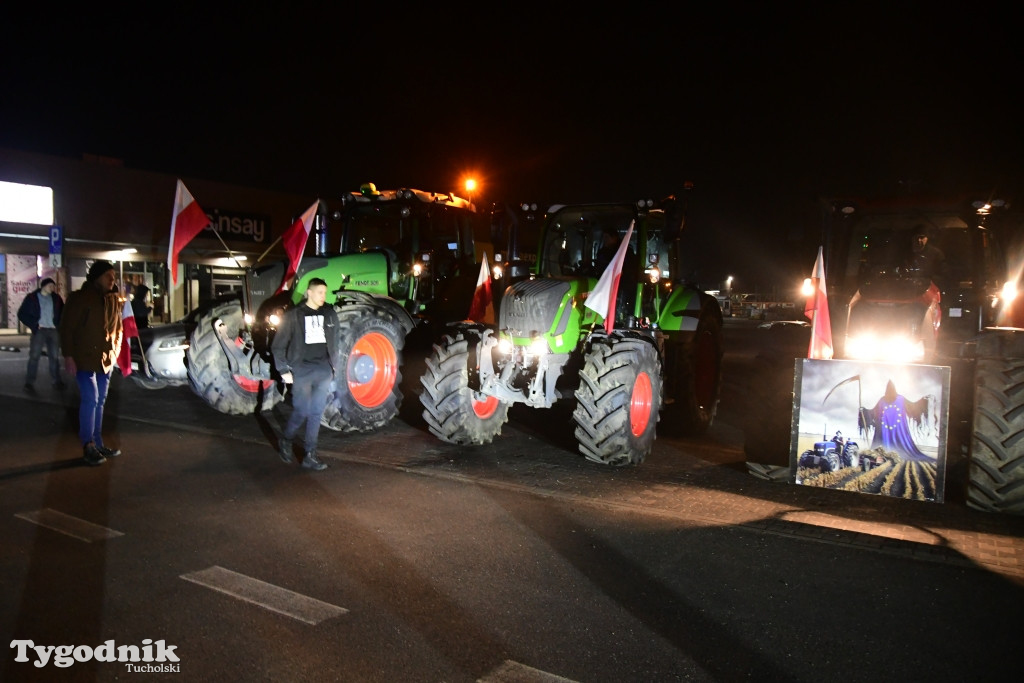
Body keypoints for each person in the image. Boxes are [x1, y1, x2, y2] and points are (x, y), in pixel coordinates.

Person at [59, 260, 124, 466]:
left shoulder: (114, 300)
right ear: (96, 277)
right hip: (83, 359)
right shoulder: (79, 299)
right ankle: (88, 445)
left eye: (113, 275)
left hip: (106, 360)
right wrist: (69, 355)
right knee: (91, 398)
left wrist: (116, 352)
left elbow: (119, 328)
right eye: (108, 275)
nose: (112, 279)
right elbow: (67, 328)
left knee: (101, 399)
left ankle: (97, 442)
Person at [271, 278, 339, 471]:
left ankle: (310, 454)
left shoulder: (329, 314)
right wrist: (284, 371)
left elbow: (336, 342)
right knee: (302, 410)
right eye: (320, 293)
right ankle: (286, 439)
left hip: (323, 370)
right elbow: (278, 346)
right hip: (301, 370)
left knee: (316, 412)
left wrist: (334, 368)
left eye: (325, 293)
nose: (323, 297)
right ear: (309, 292)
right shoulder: (293, 315)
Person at [18, 277, 65, 390]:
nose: (52, 288)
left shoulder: (56, 298)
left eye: (53, 286)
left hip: (53, 330)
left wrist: (58, 325)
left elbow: (63, 312)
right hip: (39, 330)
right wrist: (34, 325)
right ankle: (29, 382)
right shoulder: (32, 298)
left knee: (54, 356)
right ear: (43, 286)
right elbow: (22, 313)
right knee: (34, 356)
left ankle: (56, 381)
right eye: (50, 286)